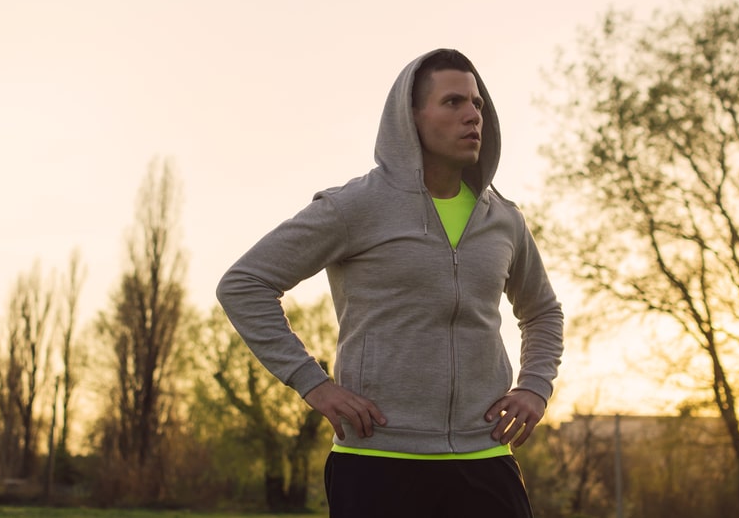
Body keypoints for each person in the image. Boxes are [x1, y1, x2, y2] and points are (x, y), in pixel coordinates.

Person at [217, 48, 564, 517]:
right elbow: (245, 283)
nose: (472, 116)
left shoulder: (503, 219)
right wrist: (313, 384)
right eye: (453, 103)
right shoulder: (355, 207)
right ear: (411, 117)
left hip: (485, 458)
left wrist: (534, 386)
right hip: (379, 463)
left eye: (477, 105)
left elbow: (542, 311)